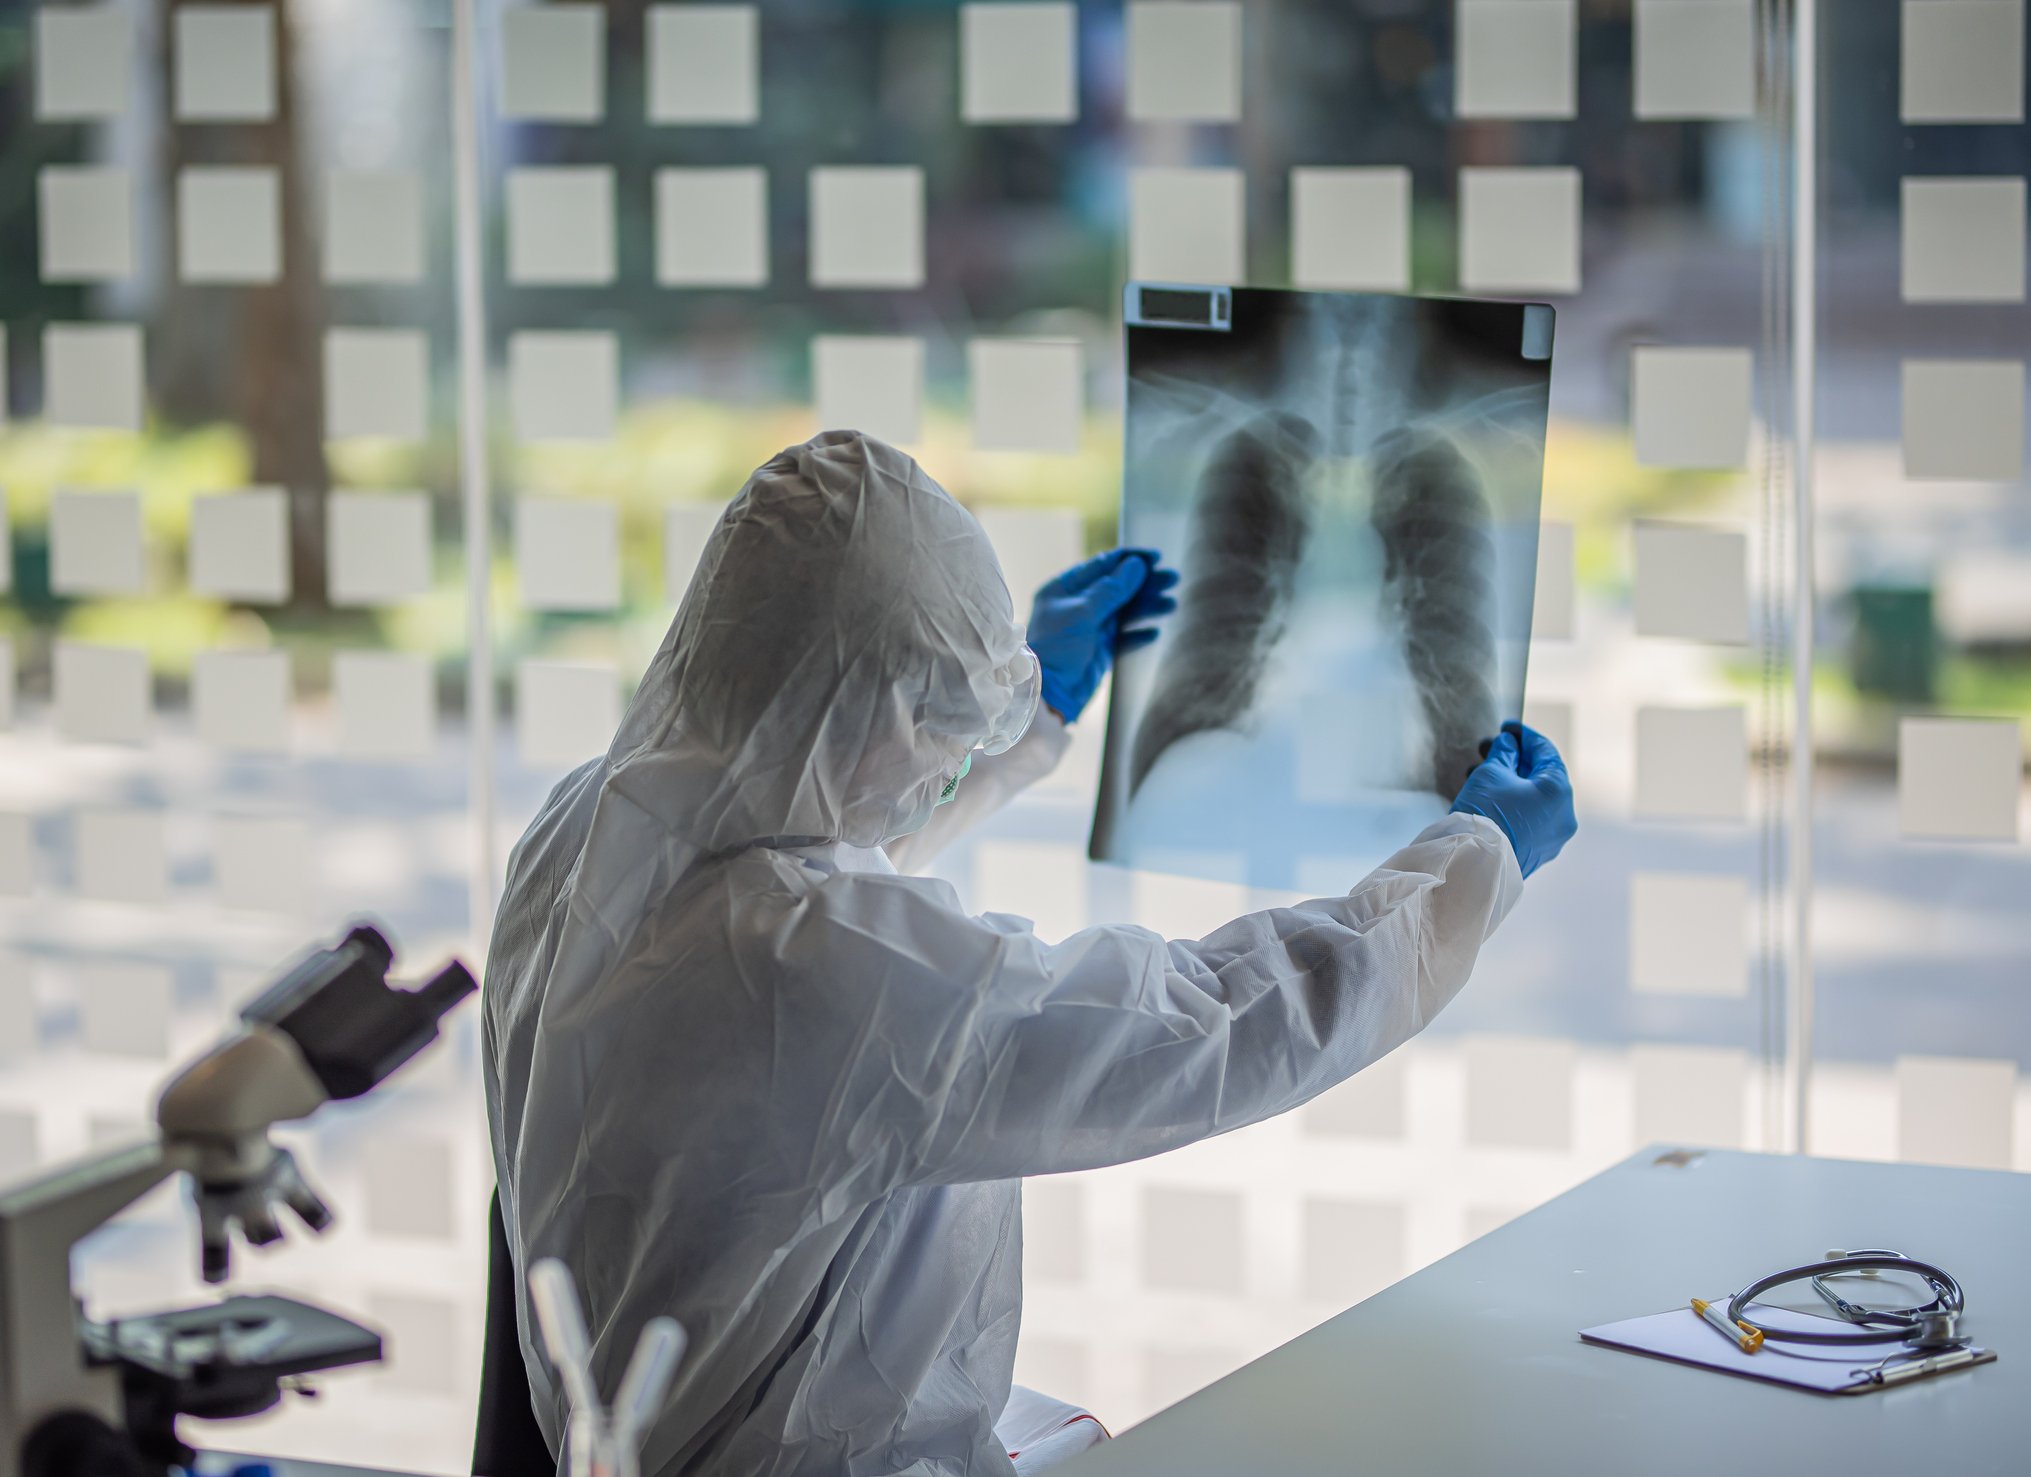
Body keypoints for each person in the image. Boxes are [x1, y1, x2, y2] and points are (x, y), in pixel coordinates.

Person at [482, 429, 1576, 1477]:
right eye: (936, 725)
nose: (946, 762)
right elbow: (1202, 1024)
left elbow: (797, 854)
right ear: (864, 710)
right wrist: (1468, 869)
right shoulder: (831, 969)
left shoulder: (588, 827)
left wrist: (1022, 713)